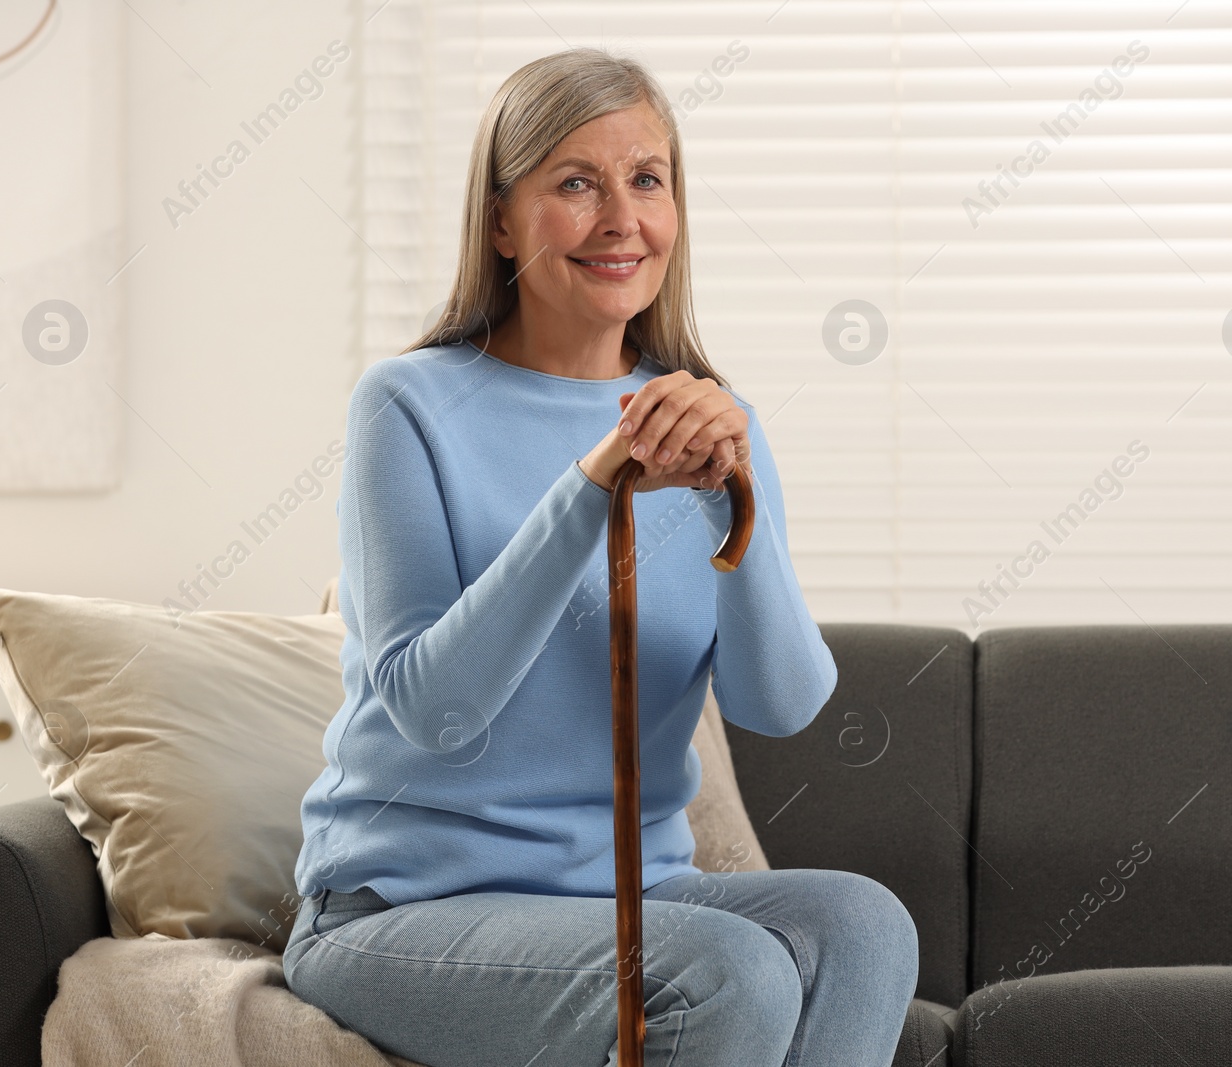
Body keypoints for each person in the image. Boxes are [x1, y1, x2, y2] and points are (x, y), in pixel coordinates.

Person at [284, 46, 919, 1067]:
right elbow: (433, 711)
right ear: (500, 221)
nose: (621, 218)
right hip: (400, 909)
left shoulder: (713, 418)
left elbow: (781, 703)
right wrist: (594, 483)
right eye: (575, 183)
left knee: (863, 924)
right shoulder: (407, 406)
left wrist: (730, 500)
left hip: (634, 895)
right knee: (730, 968)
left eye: (646, 180)